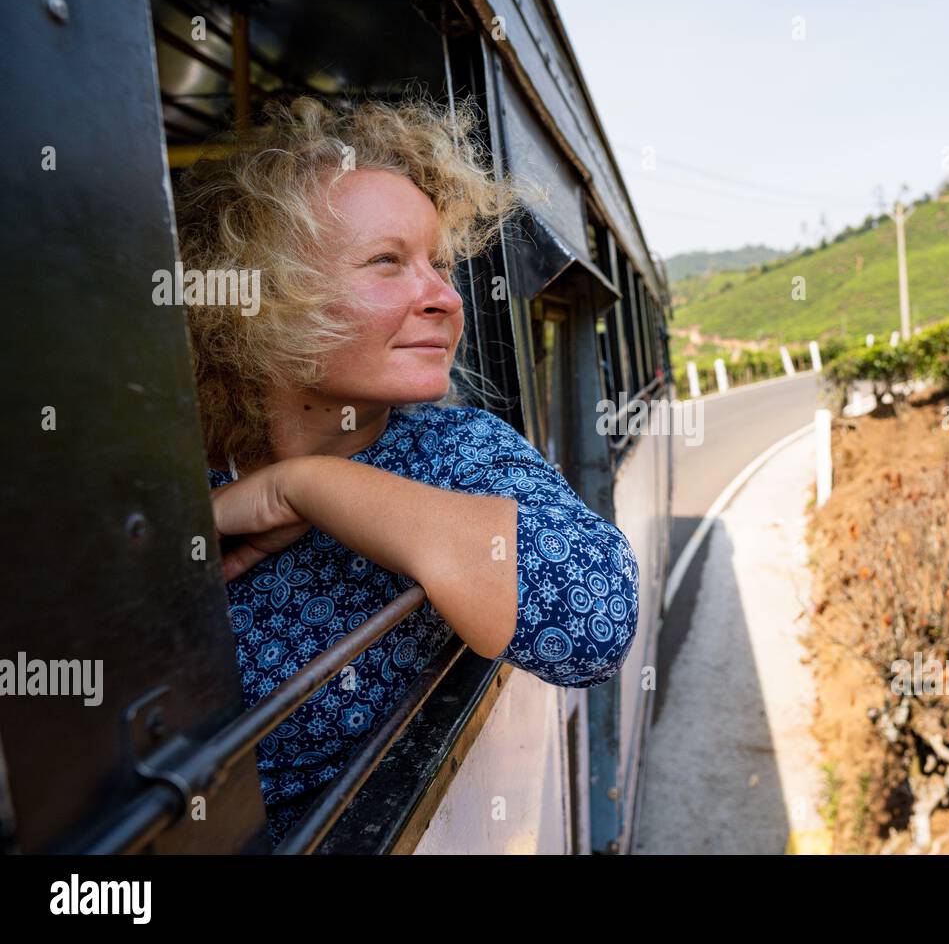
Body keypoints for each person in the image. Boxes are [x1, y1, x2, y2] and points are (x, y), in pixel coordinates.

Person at [176, 96, 640, 847]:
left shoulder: (453, 453)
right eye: (388, 263)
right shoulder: (173, 469)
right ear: (261, 299)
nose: (446, 298)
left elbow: (595, 624)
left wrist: (308, 487)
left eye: (442, 265)